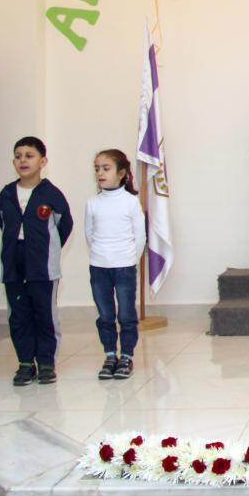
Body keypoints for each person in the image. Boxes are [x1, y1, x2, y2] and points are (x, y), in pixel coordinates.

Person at [0, 136, 73, 386]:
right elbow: (2, 223)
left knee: (44, 315)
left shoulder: (51, 194)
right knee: (18, 316)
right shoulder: (6, 194)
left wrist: (46, 248)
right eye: (18, 156)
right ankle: (25, 363)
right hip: (14, 265)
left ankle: (46, 362)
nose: (23, 161)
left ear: (43, 161)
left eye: (29, 156)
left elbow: (64, 226)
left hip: (42, 267)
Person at [85, 149, 146, 380]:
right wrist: (101, 256)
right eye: (97, 169)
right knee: (105, 315)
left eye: (106, 168)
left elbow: (139, 237)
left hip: (124, 267)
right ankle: (110, 354)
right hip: (99, 267)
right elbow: (89, 234)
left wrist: (128, 259)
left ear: (121, 173)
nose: (100, 173)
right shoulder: (92, 203)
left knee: (127, 314)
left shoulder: (131, 202)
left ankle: (126, 356)